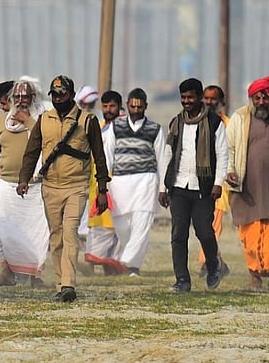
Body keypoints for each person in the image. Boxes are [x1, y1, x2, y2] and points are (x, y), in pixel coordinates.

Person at [19, 75, 109, 302]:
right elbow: (32, 152)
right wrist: (24, 179)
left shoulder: (87, 121)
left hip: (76, 186)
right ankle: (61, 284)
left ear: (71, 95)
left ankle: (69, 284)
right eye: (55, 95)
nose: (58, 98)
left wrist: (102, 189)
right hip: (50, 186)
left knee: (70, 232)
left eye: (62, 94)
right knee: (56, 237)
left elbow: (99, 157)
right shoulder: (44, 119)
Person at [159, 78, 227, 293]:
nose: (186, 101)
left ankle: (213, 266)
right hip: (178, 186)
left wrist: (217, 183)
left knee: (205, 232)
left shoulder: (214, 123)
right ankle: (182, 280)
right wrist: (163, 186)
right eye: (183, 97)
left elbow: (223, 155)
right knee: (178, 235)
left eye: (190, 97)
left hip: (203, 188)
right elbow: (167, 154)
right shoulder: (176, 122)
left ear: (199, 98)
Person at [0, 77, 49, 288]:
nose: (21, 100)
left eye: (25, 96)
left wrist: (28, 121)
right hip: (6, 186)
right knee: (1, 230)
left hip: (34, 187)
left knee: (36, 233)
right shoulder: (3, 120)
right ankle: (8, 272)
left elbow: (47, 143)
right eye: (17, 96)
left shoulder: (43, 119)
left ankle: (35, 277)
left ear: (33, 97)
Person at [225, 75, 269, 291]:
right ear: (251, 99)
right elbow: (229, 149)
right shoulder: (240, 118)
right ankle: (255, 273)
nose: (260, 102)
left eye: (264, 97)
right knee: (250, 233)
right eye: (256, 98)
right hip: (246, 185)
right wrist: (229, 171)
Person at [103, 88, 166, 276]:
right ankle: (129, 260)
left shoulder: (155, 129)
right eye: (133, 106)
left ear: (145, 106)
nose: (136, 109)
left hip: (146, 181)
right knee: (121, 225)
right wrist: (103, 184)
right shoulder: (116, 126)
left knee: (142, 224)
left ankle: (130, 266)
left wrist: (163, 188)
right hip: (119, 182)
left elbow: (162, 159)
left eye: (140, 106)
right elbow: (107, 156)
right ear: (127, 105)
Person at [83, 91, 126, 276]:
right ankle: (93, 266)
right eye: (105, 106)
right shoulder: (100, 127)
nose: (108, 110)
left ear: (119, 107)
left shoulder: (123, 128)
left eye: (112, 106)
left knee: (113, 225)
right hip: (97, 183)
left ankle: (114, 266)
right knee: (97, 222)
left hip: (117, 184)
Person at [199, 84, 231, 278]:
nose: (209, 102)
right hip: (199, 181)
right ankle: (218, 261)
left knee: (213, 224)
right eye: (207, 98)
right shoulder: (197, 121)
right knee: (202, 223)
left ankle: (206, 263)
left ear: (221, 102)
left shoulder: (229, 124)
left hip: (220, 183)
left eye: (213, 99)